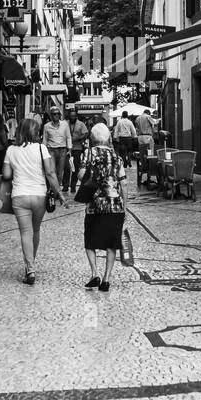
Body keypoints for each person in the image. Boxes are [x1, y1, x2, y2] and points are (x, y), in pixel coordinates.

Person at [1, 116, 67, 284]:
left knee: (25, 232)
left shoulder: (11, 150)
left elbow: (7, 175)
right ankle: (31, 263)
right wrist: (58, 192)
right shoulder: (41, 148)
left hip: (19, 196)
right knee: (35, 230)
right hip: (39, 195)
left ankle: (30, 269)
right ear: (34, 132)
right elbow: (51, 173)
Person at [75, 122, 127, 292]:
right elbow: (124, 183)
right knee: (112, 242)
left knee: (90, 240)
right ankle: (106, 279)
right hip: (115, 205)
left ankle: (94, 273)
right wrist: (125, 207)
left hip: (94, 205)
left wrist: (94, 175)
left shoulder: (88, 154)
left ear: (93, 138)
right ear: (108, 138)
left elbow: (82, 175)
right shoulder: (116, 157)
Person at [43, 105, 72, 191]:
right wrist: (43, 151)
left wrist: (69, 149)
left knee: (60, 172)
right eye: (53, 114)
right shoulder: (46, 126)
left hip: (62, 150)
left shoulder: (65, 124)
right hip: (51, 150)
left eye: (57, 114)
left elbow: (68, 137)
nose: (56, 115)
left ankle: (57, 189)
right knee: (52, 171)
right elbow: (45, 139)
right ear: (51, 116)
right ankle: (52, 189)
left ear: (60, 115)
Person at [67, 108, 89, 193]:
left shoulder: (81, 124)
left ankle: (73, 186)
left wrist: (77, 138)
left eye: (74, 116)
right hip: (67, 147)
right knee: (66, 167)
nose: (72, 117)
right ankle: (65, 185)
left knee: (76, 167)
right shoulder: (65, 124)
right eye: (71, 116)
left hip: (77, 148)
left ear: (76, 116)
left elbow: (86, 133)